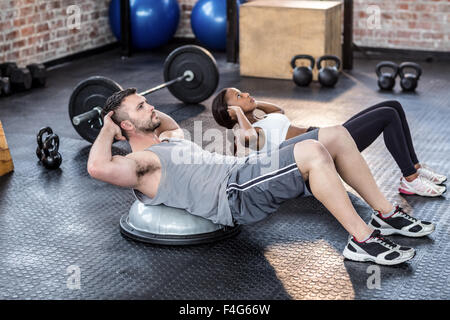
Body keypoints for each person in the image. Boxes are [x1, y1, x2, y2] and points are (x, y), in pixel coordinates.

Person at [87, 88, 435, 266]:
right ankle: (362, 241)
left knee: (335, 135)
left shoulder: (170, 137)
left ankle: (386, 214)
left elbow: (164, 121)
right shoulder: (142, 164)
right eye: (141, 107)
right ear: (126, 125)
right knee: (313, 153)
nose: (150, 107)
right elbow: (98, 168)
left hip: (242, 172)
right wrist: (108, 127)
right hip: (234, 192)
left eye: (147, 102)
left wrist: (130, 104)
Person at [211, 88, 447, 197]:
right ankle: (410, 180)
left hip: (324, 135)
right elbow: (249, 137)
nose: (245, 94)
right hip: (326, 149)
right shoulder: (248, 134)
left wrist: (252, 102)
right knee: (387, 116)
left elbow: (279, 110)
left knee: (393, 105)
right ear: (231, 112)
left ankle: (414, 168)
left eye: (242, 91)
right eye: (238, 97)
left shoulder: (262, 119)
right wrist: (238, 114)